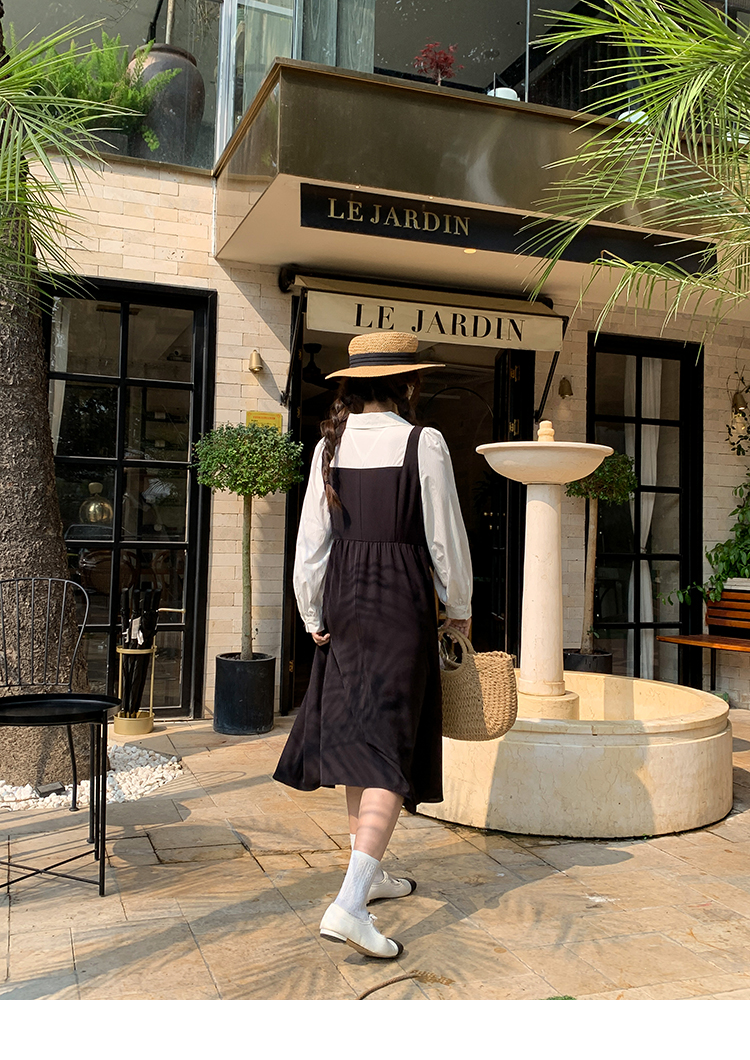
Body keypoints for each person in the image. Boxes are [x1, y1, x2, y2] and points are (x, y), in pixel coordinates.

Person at [273, 331, 472, 959]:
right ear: (408, 382)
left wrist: (311, 609)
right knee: (388, 747)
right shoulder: (424, 442)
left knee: (361, 740)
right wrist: (459, 606)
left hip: (345, 598)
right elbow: (444, 536)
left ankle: (371, 871)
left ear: (353, 385)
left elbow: (311, 540)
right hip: (400, 602)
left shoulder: (328, 446)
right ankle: (350, 903)